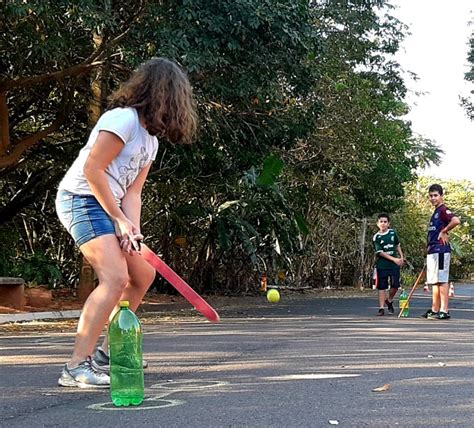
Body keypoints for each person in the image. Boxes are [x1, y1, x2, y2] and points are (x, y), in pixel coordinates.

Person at [55, 58, 197, 388]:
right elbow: (93, 171)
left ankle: (109, 353)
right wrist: (117, 219)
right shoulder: (123, 121)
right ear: (166, 95)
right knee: (115, 277)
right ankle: (76, 365)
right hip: (81, 199)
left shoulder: (151, 141)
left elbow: (133, 192)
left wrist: (132, 228)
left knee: (143, 272)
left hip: (111, 206)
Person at [421, 184, 461, 320]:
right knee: (434, 281)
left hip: (441, 250)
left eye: (435, 195)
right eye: (431, 196)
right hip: (432, 250)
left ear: (441, 196)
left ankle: (444, 310)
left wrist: (444, 231)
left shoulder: (444, 210)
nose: (433, 198)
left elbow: (456, 220)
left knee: (442, 280)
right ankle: (434, 309)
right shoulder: (435, 212)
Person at [372, 213, 405, 316]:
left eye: (385, 222)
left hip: (394, 265)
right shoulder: (376, 237)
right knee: (382, 287)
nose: (383, 224)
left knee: (395, 285)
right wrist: (394, 259)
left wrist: (401, 257)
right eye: (381, 222)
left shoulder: (392, 233)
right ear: (377, 223)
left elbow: (397, 245)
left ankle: (389, 300)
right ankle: (381, 308)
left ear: (388, 223)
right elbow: (380, 252)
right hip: (382, 265)